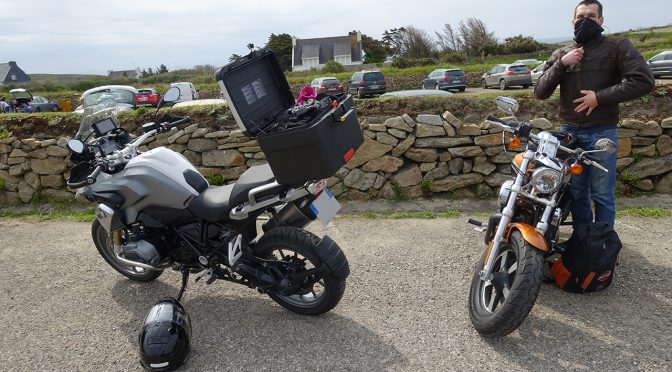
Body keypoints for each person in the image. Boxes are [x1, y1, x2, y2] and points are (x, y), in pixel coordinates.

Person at [534, 0, 654, 228]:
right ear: (572, 21)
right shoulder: (562, 53)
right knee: (577, 193)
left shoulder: (617, 46)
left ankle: (603, 246)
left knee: (602, 194)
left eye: (591, 16)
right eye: (581, 16)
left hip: (602, 132)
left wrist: (599, 97)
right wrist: (561, 64)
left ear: (601, 21)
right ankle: (582, 242)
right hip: (569, 133)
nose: (585, 20)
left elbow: (644, 81)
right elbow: (540, 92)